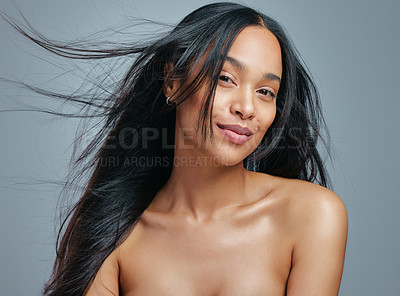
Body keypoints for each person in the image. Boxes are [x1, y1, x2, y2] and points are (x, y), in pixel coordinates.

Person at [4, 2, 347, 295]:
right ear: (173, 82)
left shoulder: (312, 215)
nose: (247, 108)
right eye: (225, 78)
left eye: (266, 92)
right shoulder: (112, 233)